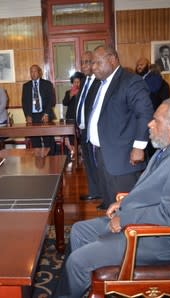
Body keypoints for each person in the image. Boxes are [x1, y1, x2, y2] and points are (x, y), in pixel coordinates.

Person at [55, 97, 170, 298]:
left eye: (156, 120)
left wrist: (125, 218)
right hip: (144, 225)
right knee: (79, 230)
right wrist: (124, 202)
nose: (149, 124)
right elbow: (152, 190)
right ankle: (77, 288)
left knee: (78, 261)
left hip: (161, 240)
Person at [88, 45, 153, 210]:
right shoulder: (99, 84)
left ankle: (129, 235)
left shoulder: (130, 81)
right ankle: (113, 234)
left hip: (124, 157)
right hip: (102, 153)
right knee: (111, 203)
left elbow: (145, 114)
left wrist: (139, 147)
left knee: (127, 206)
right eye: (92, 63)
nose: (93, 67)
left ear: (112, 59)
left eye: (97, 62)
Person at [75, 51, 102, 202]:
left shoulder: (99, 81)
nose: (84, 65)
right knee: (89, 163)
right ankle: (94, 191)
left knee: (97, 162)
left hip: (93, 130)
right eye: (82, 62)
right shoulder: (85, 81)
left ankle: (103, 193)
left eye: (87, 62)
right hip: (83, 129)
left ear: (94, 63)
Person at [135, 58, 170, 158]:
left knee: (153, 147)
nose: (139, 67)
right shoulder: (136, 79)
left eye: (141, 64)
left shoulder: (157, 81)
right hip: (139, 118)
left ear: (148, 66)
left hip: (153, 117)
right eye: (137, 65)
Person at [21, 64, 55, 154]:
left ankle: (51, 161)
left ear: (39, 72)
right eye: (31, 71)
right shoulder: (26, 86)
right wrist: (27, 115)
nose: (33, 73)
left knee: (48, 141)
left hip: (45, 115)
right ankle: (39, 163)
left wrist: (47, 113)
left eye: (35, 71)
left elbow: (51, 100)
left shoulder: (47, 84)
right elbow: (24, 102)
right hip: (32, 116)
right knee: (35, 142)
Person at [62, 71, 84, 159]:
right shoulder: (68, 92)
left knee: (80, 139)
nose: (76, 84)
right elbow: (64, 103)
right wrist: (71, 94)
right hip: (70, 119)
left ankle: (81, 156)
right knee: (71, 139)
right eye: (75, 82)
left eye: (78, 82)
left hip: (81, 119)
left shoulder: (84, 92)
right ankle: (72, 155)